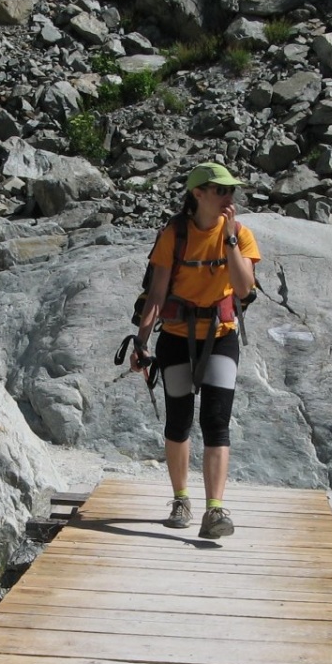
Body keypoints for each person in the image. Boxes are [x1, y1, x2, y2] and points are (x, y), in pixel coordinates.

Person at [130, 162, 261, 540]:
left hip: (221, 335)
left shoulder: (240, 233)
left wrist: (231, 242)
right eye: (220, 190)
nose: (228, 197)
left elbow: (243, 289)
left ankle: (215, 510)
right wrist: (141, 341)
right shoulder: (174, 234)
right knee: (179, 419)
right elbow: (156, 294)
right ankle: (181, 499)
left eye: (230, 191)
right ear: (198, 193)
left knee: (217, 421)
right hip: (174, 336)